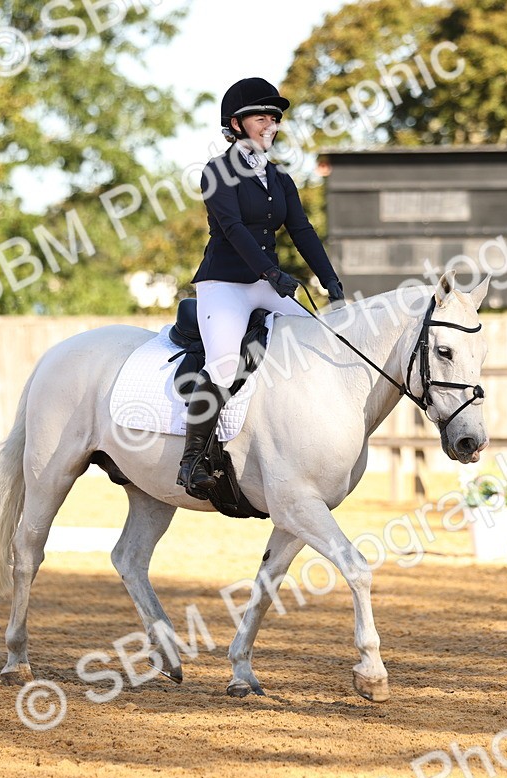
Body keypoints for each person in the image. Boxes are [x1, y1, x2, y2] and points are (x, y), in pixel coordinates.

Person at [176, 77, 346, 493]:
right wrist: (273, 274)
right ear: (235, 124)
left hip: (266, 282)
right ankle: (191, 459)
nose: (269, 123)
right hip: (225, 284)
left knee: (315, 339)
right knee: (222, 363)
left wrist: (332, 283)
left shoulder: (280, 179)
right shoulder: (216, 173)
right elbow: (232, 229)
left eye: (274, 117)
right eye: (260, 117)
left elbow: (302, 232)